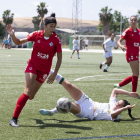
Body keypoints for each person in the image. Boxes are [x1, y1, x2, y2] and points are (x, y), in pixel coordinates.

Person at [6, 13, 62, 127]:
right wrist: (12, 35)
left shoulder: (56, 39)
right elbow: (18, 42)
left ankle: (27, 92)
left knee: (31, 96)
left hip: (44, 71)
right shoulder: (36, 34)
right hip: (32, 66)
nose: (53, 29)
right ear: (45, 26)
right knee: (27, 91)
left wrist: (54, 74)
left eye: (54, 26)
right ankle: (14, 119)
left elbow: (59, 58)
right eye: (51, 26)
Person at [40, 70, 139, 121]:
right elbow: (115, 90)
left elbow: (113, 115)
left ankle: (52, 112)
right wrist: (129, 93)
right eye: (118, 103)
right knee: (69, 85)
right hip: (88, 102)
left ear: (122, 109)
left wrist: (125, 107)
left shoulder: (116, 115)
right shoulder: (113, 103)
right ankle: (48, 69)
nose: (116, 105)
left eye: (119, 105)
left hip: (87, 112)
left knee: (67, 104)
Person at [114, 15, 140, 92]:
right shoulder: (127, 31)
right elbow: (119, 41)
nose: (133, 21)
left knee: (134, 74)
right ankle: (134, 93)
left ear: (137, 22)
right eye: (132, 20)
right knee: (136, 74)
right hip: (130, 54)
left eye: (135, 20)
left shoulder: (139, 32)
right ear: (129, 22)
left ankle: (119, 85)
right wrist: (121, 46)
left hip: (136, 54)